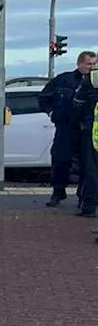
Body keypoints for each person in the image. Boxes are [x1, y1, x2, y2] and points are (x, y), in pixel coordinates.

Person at [39, 51, 96, 208]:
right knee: (60, 161)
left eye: (94, 64)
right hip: (65, 127)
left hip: (86, 129)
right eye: (88, 64)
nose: (92, 67)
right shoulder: (63, 80)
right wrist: (52, 113)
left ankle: (83, 197)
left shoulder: (95, 82)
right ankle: (58, 192)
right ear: (79, 64)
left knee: (86, 165)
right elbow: (43, 98)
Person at [72, 64, 98, 218]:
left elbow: (77, 105)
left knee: (91, 172)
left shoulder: (92, 78)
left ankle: (89, 207)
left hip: (92, 134)